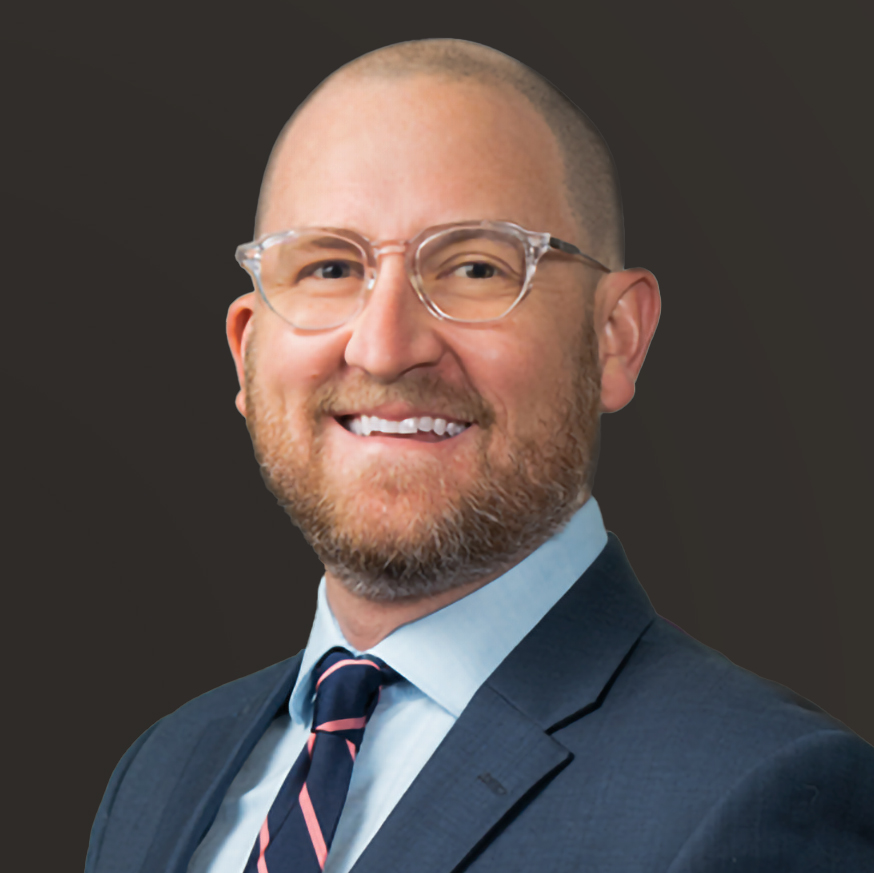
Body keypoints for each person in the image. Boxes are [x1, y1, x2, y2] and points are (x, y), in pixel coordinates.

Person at [85, 38, 874, 873]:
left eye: (474, 267)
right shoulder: (160, 773)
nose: (385, 347)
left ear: (615, 337)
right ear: (247, 351)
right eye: (329, 267)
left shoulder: (766, 795)